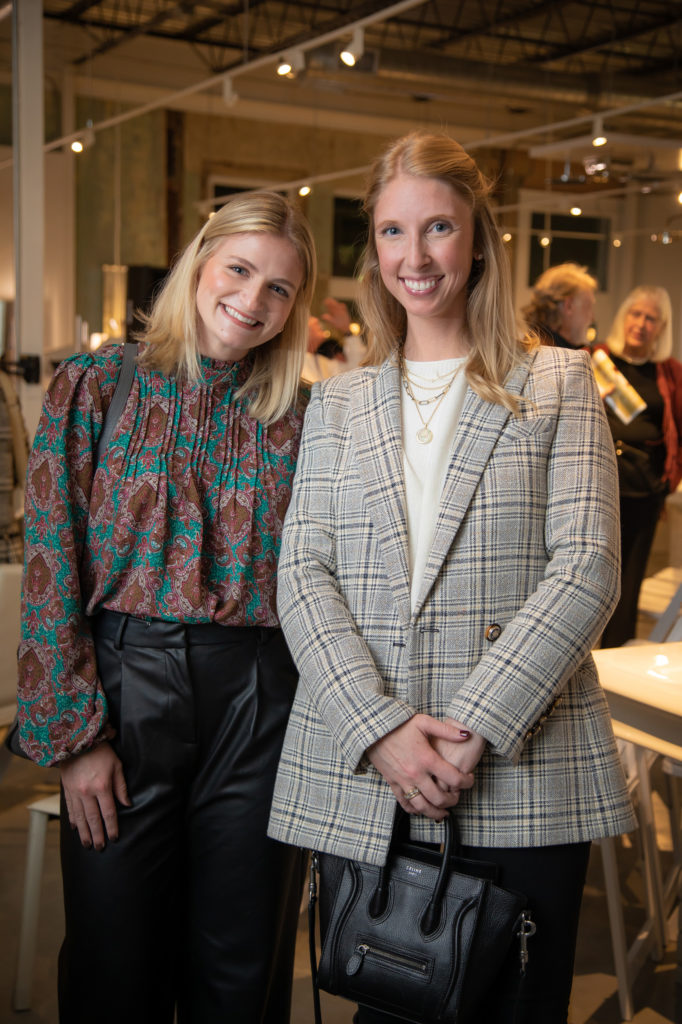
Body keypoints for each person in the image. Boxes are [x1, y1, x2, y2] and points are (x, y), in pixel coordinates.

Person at [268, 132, 635, 1023]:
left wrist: (476, 724)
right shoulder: (341, 401)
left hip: (519, 768)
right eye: (393, 232)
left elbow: (587, 565)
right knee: (384, 1008)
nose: (416, 256)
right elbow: (301, 574)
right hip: (367, 775)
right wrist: (382, 729)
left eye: (438, 227)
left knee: (518, 1003)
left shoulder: (558, 382)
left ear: (479, 238)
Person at [16, 191, 316, 1024]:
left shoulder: (302, 415)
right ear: (201, 263)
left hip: (261, 701)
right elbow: (49, 568)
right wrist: (77, 741)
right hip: (124, 688)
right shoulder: (95, 386)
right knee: (115, 964)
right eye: (241, 270)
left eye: (280, 289)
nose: (253, 301)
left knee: (241, 969)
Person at [598, 285, 682, 647]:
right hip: (599, 485)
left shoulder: (670, 372)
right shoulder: (596, 359)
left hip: (644, 489)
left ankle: (615, 658)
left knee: (629, 583)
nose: (642, 324)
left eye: (651, 318)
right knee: (593, 578)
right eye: (636, 314)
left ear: (662, 327)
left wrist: (667, 483)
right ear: (623, 317)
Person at [522, 262, 596, 350]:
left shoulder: (538, 344)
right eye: (587, 307)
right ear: (569, 306)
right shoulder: (551, 357)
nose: (592, 318)